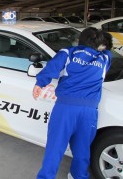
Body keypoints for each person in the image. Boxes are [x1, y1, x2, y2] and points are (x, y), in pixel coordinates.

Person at [32, 27, 113, 179]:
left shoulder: (68, 52)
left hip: (65, 108)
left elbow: (52, 67)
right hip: (89, 111)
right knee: (82, 150)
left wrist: (39, 84)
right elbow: (109, 48)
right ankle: (78, 176)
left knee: (55, 148)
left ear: (80, 41)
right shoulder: (105, 58)